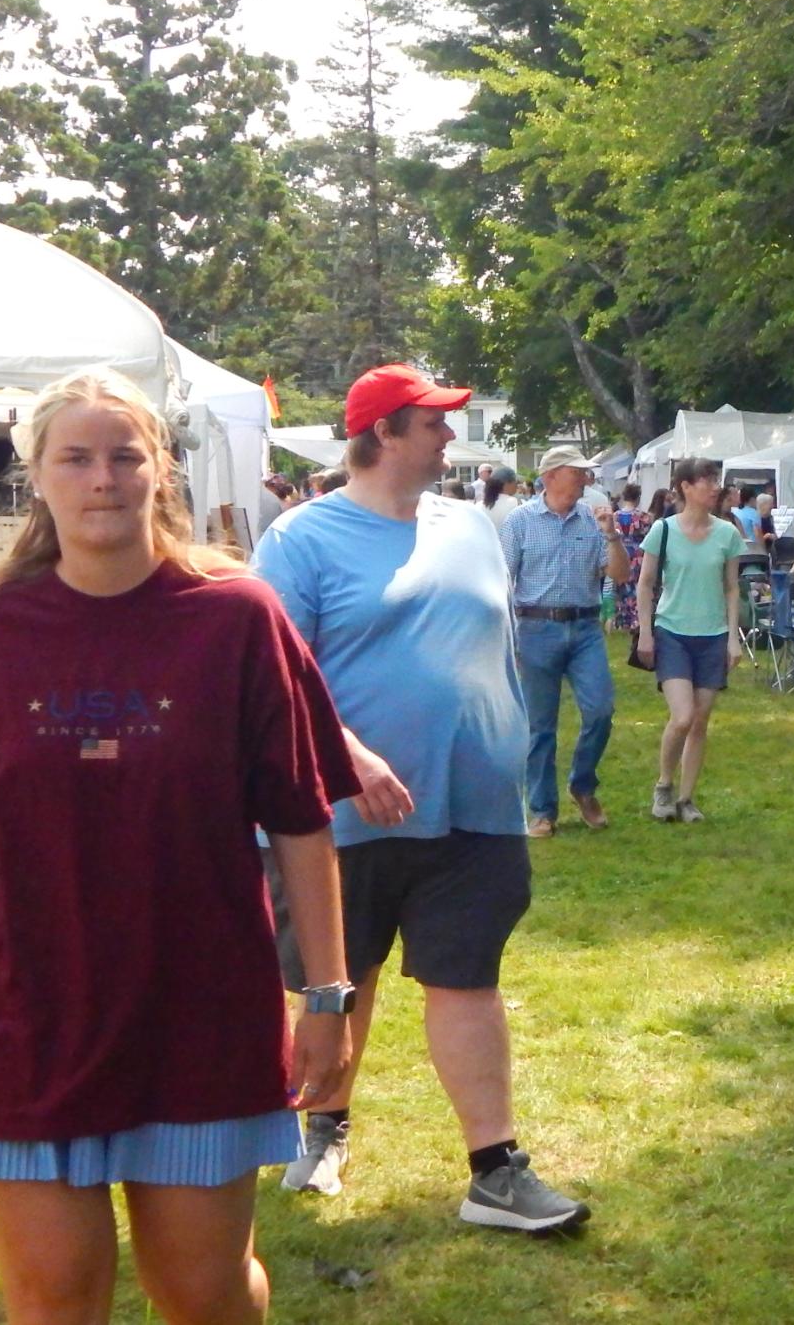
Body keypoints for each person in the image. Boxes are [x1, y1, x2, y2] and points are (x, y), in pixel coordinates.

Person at [0, 369, 358, 1325]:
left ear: (160, 471)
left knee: (203, 1292)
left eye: (125, 456)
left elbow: (303, 821)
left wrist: (328, 998)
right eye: (77, 458)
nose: (103, 478)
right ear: (38, 478)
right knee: (53, 1298)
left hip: (198, 1014)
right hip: (21, 1015)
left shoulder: (238, 619)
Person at [253, 363, 589, 1230]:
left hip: (475, 804)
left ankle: (495, 1172)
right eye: (433, 423)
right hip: (346, 817)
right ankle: (323, 1130)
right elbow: (277, 679)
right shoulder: (300, 539)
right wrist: (352, 758)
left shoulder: (472, 524)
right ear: (384, 433)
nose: (448, 437)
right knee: (345, 976)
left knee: (468, 976)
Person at [499, 445, 632, 837]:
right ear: (552, 475)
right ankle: (542, 810)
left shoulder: (593, 519)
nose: (585, 478)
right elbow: (503, 579)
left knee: (601, 710)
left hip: (584, 627)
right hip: (535, 628)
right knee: (540, 726)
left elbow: (620, 575)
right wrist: (507, 635)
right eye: (578, 472)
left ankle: (582, 784)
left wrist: (611, 535)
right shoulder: (520, 521)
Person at [634, 458, 744, 822]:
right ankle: (664, 785)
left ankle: (685, 799)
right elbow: (645, 584)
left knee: (700, 721)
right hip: (672, 632)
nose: (715, 487)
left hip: (713, 636)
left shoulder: (727, 533)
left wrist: (733, 638)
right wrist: (645, 632)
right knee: (682, 717)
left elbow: (732, 588)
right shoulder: (663, 530)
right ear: (685, 486)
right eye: (707, 481)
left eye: (716, 480)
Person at [612, 484, 650, 632]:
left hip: (619, 555)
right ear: (638, 497)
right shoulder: (643, 517)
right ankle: (636, 619)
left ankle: (621, 619)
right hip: (637, 557)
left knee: (620, 587)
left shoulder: (615, 517)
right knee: (637, 588)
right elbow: (648, 537)